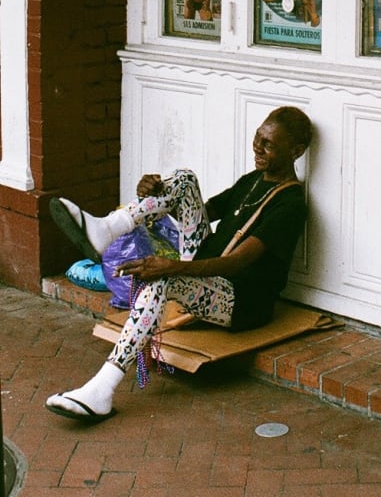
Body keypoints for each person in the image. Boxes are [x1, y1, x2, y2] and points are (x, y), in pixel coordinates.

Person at [45, 106, 311, 423]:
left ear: (295, 151)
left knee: (161, 280)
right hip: (207, 270)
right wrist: (157, 194)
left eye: (269, 144)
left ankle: (103, 389)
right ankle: (109, 227)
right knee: (184, 180)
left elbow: (236, 264)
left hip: (240, 300)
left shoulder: (290, 204)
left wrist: (170, 267)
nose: (257, 147)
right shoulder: (253, 180)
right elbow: (202, 210)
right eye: (257, 138)